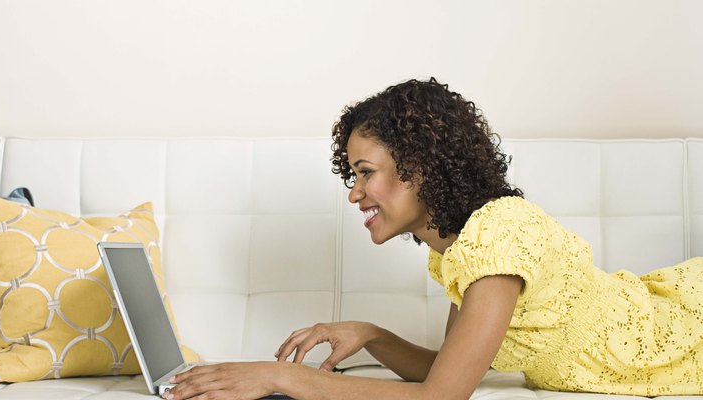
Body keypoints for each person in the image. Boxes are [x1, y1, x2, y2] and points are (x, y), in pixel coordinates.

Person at [164, 78, 703, 399]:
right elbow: (450, 367)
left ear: (419, 166)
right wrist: (372, 334)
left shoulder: (500, 234)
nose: (355, 194)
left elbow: (444, 396)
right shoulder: (461, 251)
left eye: (365, 172)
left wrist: (281, 378)